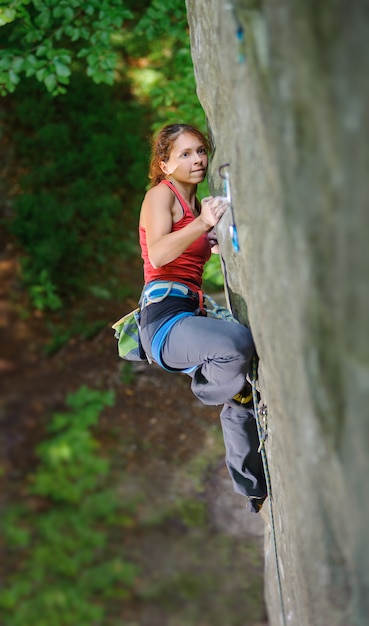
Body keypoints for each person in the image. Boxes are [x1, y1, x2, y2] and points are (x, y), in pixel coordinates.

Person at [138, 123, 267, 512]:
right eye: (185, 154)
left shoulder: (198, 203)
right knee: (237, 346)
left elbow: (189, 244)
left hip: (190, 312)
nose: (197, 160)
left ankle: (252, 488)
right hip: (163, 321)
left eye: (200, 151)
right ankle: (206, 388)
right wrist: (201, 225)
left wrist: (206, 235)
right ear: (164, 164)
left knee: (241, 393)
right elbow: (158, 256)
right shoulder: (160, 195)